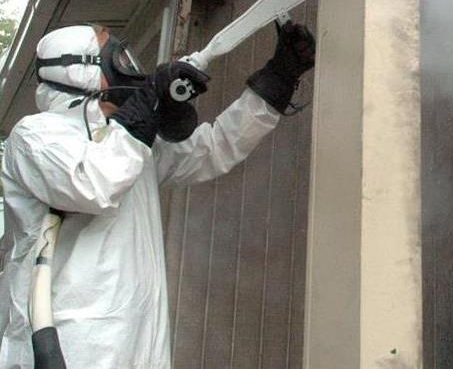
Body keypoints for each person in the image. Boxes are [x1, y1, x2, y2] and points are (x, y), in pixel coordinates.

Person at [0, 21, 315, 368]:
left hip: (137, 340)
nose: (129, 66)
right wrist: (147, 104)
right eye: (116, 57)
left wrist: (277, 80)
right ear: (81, 69)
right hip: (69, 343)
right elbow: (94, 186)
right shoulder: (36, 136)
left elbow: (213, 148)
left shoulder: (129, 142)